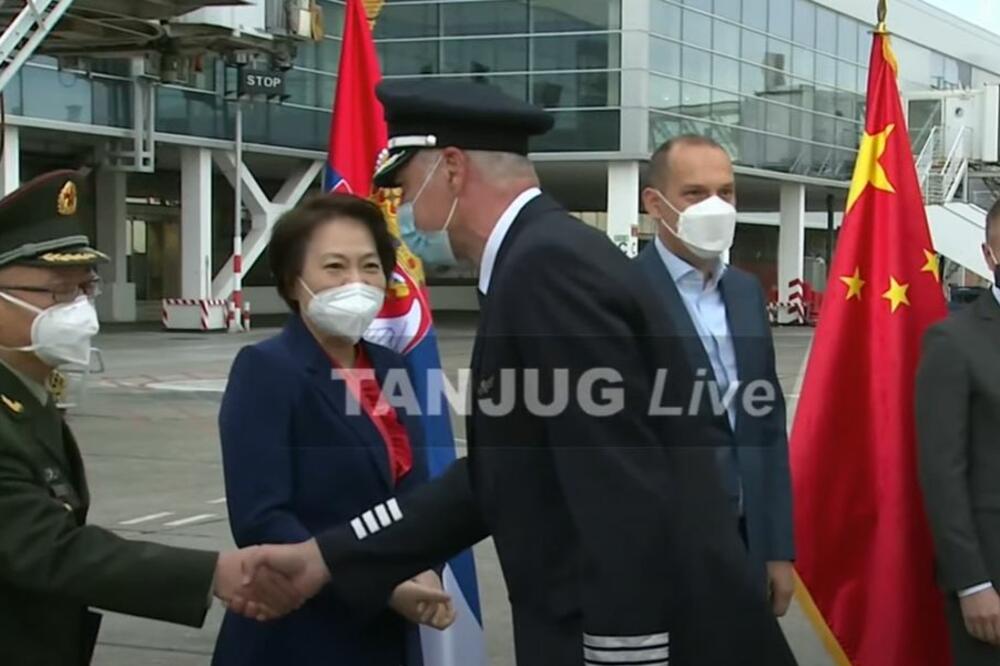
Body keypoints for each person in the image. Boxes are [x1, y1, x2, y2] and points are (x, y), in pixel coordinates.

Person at [233, 80, 797, 666]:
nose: (401, 212)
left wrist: (625, 654)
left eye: (404, 186)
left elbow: (619, 488)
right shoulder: (544, 257)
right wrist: (332, 555)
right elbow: (503, 470)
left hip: (645, 637)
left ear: (451, 169)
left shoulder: (546, 269)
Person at [0, 169, 302, 666]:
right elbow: (42, 548)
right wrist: (214, 574)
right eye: (58, 292)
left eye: (85, 287)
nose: (79, 309)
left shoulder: (29, 393)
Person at [212, 193, 454, 666]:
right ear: (292, 280)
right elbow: (261, 518)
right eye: (335, 267)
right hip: (301, 632)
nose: (356, 283)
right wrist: (380, 584)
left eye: (369, 267)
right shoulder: (266, 369)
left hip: (389, 635)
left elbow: (417, 497)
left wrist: (424, 567)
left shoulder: (391, 366)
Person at [638, 135, 795, 615]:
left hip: (746, 547)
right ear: (655, 203)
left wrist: (776, 548)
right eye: (694, 192)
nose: (714, 205)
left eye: (725, 193)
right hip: (662, 554)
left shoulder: (746, 294)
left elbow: (765, 428)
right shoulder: (622, 294)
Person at [916, 198, 1000, 665]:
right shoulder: (954, 343)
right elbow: (942, 474)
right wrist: (973, 583)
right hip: (992, 588)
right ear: (988, 256)